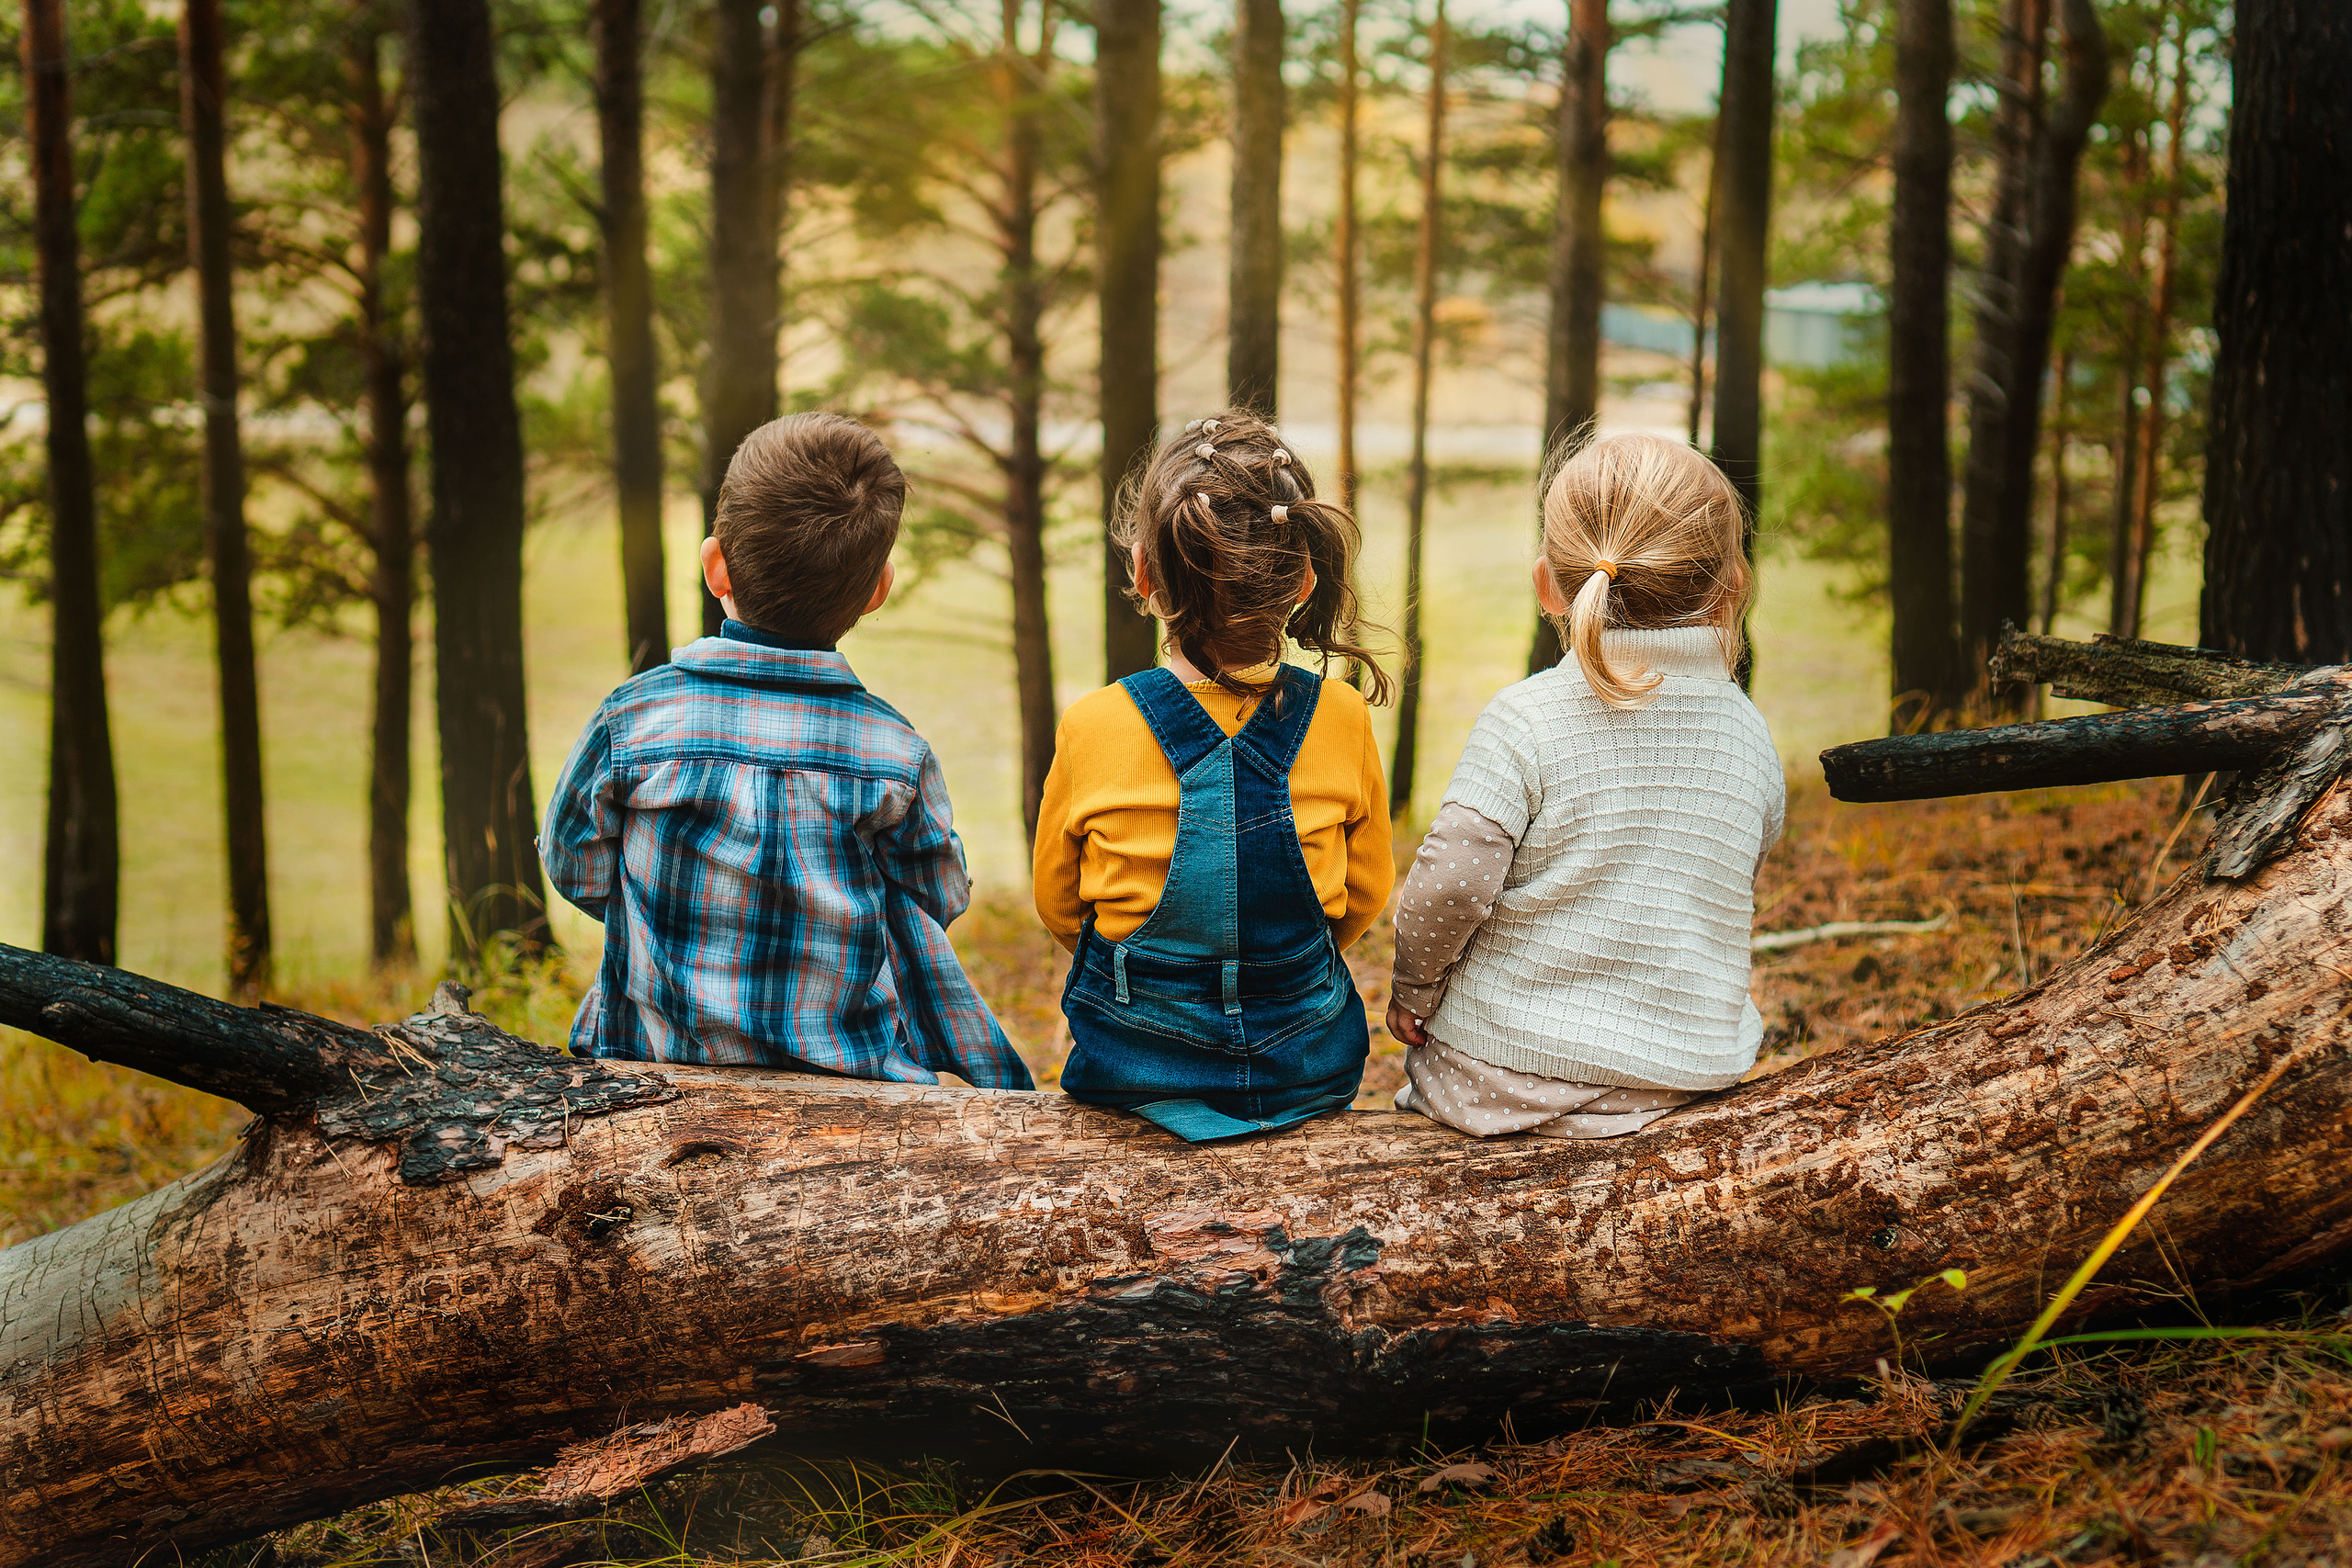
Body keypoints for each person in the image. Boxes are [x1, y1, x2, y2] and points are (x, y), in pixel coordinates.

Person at [539, 412, 1032, 1090]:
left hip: (652, 1071)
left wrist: (659, 913)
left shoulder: (634, 721)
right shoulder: (894, 753)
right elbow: (938, 896)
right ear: (875, 591)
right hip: (855, 1093)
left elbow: (571, 860)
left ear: (715, 566)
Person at [1387, 432, 1783, 1139]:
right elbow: (1729, 877)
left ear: (1548, 582)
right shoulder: (1750, 736)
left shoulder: (1524, 720)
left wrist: (1414, 989)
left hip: (1495, 1083)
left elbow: (1450, 883)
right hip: (1678, 1091)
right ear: (1732, 587)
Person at [1034, 412, 1394, 1142]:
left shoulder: (1091, 725)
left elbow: (1059, 905)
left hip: (1133, 1066)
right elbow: (1364, 895)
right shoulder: (1344, 718)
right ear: (1302, 580)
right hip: (1308, 1066)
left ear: (1141, 572)